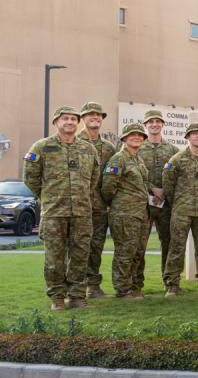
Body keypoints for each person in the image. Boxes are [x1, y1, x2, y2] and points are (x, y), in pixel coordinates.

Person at [23, 106, 99, 311]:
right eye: (65, 118)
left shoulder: (88, 149)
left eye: (74, 119)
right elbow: (30, 177)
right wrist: (47, 195)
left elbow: (94, 178)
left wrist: (81, 196)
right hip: (54, 213)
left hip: (82, 212)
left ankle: (76, 297)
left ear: (78, 123)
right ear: (56, 122)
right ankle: (57, 297)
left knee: (80, 257)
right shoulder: (42, 147)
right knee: (54, 259)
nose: (70, 122)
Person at [162, 123, 198, 296]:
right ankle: (172, 285)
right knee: (176, 248)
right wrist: (179, 201)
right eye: (195, 134)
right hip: (181, 210)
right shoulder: (177, 159)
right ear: (188, 137)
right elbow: (168, 184)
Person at [100, 123, 150, 299]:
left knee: (138, 251)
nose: (137, 137)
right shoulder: (118, 159)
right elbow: (107, 188)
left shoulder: (138, 159)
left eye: (140, 135)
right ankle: (122, 289)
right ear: (124, 138)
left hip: (141, 213)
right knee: (125, 251)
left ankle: (134, 286)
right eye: (132, 135)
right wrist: (119, 204)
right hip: (124, 213)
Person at [77, 102, 117, 300]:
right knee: (75, 247)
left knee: (96, 247)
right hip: (77, 206)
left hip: (100, 206)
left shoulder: (109, 148)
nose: (95, 117)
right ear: (83, 118)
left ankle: (93, 288)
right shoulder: (73, 142)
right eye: (90, 114)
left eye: (98, 115)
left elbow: (113, 178)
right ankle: (74, 288)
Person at [139, 109, 179, 281]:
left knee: (168, 243)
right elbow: (132, 174)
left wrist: (164, 192)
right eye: (150, 122)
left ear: (162, 125)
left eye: (158, 121)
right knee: (139, 244)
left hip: (166, 205)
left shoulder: (172, 149)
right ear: (145, 125)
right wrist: (152, 188)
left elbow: (177, 175)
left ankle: (169, 281)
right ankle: (136, 283)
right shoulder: (137, 147)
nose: (154, 124)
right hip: (142, 203)